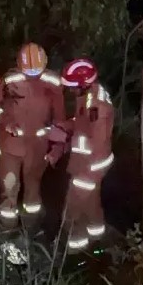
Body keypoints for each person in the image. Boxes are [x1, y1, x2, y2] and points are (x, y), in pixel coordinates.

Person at [0, 42, 66, 234]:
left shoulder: (53, 83)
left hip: (37, 147)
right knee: (8, 188)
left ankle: (31, 231)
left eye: (36, 71)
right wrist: (6, 121)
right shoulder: (8, 80)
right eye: (28, 71)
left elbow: (60, 119)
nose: (32, 75)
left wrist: (57, 147)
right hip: (10, 146)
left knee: (33, 190)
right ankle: (7, 231)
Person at [49, 58, 115, 253]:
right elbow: (82, 121)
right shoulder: (89, 96)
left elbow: (97, 139)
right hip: (88, 162)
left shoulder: (97, 106)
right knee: (91, 204)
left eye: (72, 87)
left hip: (90, 166)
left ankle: (73, 251)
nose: (70, 91)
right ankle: (97, 241)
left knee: (72, 210)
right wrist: (66, 125)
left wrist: (64, 137)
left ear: (83, 84)